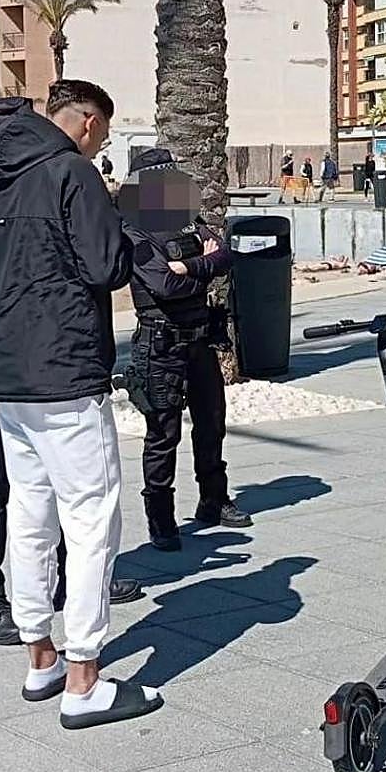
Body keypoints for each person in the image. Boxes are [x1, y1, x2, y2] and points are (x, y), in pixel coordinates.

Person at [0, 79, 163, 728]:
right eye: (101, 135)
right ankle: (84, 678)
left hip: (5, 374)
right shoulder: (71, 173)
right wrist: (119, 217)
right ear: (84, 124)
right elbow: (106, 267)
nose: (100, 146)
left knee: (30, 513)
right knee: (89, 519)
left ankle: (40, 658)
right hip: (65, 370)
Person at [0, 98, 141, 647]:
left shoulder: (17, 186)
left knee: (38, 501)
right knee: (6, 489)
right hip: (9, 368)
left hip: (15, 364)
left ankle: (47, 624)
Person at [118, 148, 252, 552]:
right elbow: (163, 287)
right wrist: (201, 269)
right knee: (163, 434)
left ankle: (214, 500)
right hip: (160, 346)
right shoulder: (134, 230)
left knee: (212, 424)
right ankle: (161, 521)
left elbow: (226, 255)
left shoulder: (189, 221)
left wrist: (190, 268)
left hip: (199, 340)